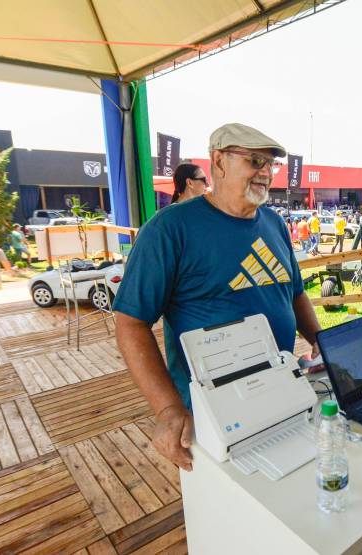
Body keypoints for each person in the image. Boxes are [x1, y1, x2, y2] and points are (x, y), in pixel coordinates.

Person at [113, 123, 323, 472]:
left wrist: (320, 339)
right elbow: (131, 323)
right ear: (219, 162)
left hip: (278, 391)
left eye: (271, 165)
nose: (265, 173)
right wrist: (167, 410)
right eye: (255, 161)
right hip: (212, 410)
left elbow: (294, 291)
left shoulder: (274, 224)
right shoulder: (169, 229)